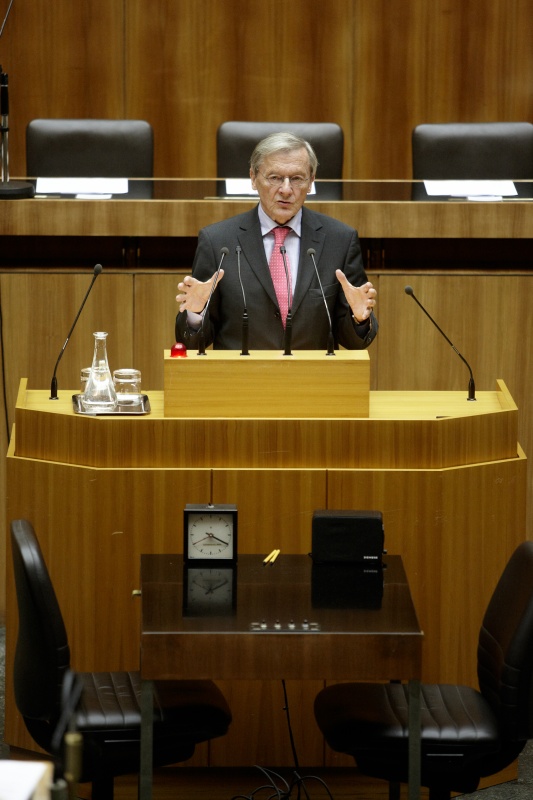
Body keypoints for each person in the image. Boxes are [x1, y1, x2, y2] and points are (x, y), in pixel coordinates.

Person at [175, 131, 377, 351]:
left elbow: (353, 342)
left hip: (312, 372)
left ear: (311, 181)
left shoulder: (340, 240)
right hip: (241, 372)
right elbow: (193, 343)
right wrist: (195, 313)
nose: (286, 190)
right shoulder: (217, 242)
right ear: (253, 178)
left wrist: (359, 318)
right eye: (275, 178)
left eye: (297, 178)